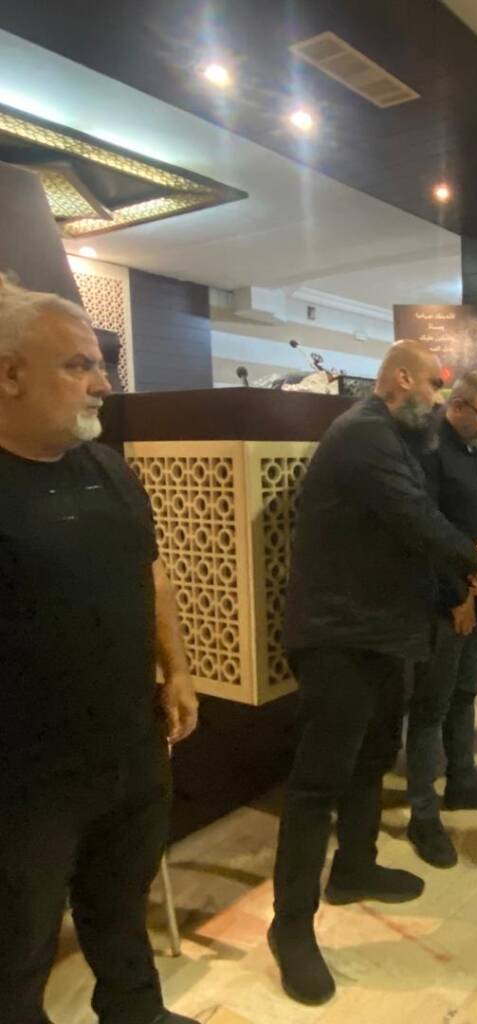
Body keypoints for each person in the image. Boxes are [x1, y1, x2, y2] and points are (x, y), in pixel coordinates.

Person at [270, 340, 477, 1006]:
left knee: (372, 758)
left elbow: (409, 528)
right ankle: (290, 928)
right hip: (338, 636)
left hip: (376, 632)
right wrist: (475, 563)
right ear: (401, 377)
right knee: (318, 784)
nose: (438, 397)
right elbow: (414, 517)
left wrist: (466, 567)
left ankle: (354, 868)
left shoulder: (395, 437)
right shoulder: (364, 432)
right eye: (433, 385)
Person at [0, 277, 200, 1024]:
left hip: (128, 745)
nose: (103, 384)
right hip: (25, 777)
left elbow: (153, 572)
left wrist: (177, 669)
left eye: (100, 363)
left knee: (121, 907)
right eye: (77, 365)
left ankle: (136, 1013)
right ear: (9, 374)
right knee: (19, 943)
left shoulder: (109, 470)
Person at [406, 371, 477, 868]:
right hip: (442, 600)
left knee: (466, 692)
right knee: (431, 705)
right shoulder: (429, 451)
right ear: (457, 406)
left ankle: (463, 779)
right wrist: (457, 596)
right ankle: (422, 813)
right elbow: (425, 533)